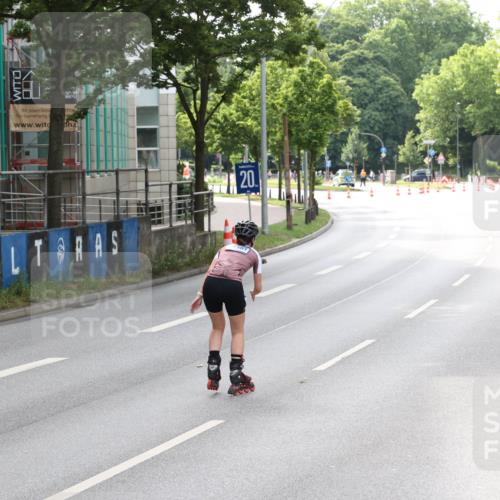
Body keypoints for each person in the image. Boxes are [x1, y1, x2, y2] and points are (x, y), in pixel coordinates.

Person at [190, 220, 263, 396]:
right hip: (232, 287)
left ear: (236, 237)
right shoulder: (254, 254)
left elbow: (209, 272)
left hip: (211, 285)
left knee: (217, 327)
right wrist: (253, 292)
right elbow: (258, 286)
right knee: (237, 331)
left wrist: (199, 295)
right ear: (252, 239)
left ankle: (213, 368)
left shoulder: (223, 250)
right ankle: (236, 374)